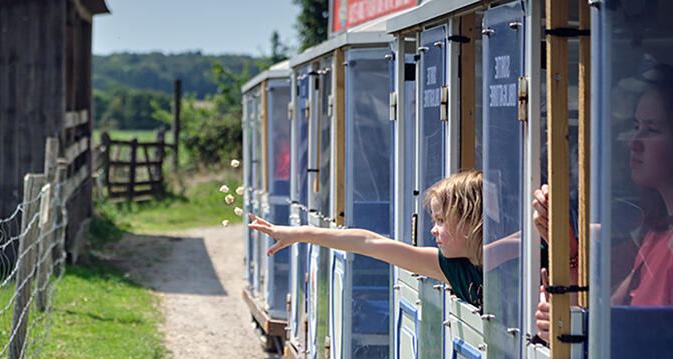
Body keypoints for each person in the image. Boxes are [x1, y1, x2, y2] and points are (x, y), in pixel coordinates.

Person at [535, 64, 673, 335]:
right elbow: (610, 319)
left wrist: (575, 326)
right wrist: (566, 247)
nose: (634, 141)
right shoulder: (656, 235)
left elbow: (644, 343)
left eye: (653, 128)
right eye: (636, 126)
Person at [249, 169, 485, 309]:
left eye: (441, 221)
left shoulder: (511, 257)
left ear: (471, 218)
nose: (433, 230)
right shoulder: (450, 267)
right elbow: (369, 243)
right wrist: (300, 233)